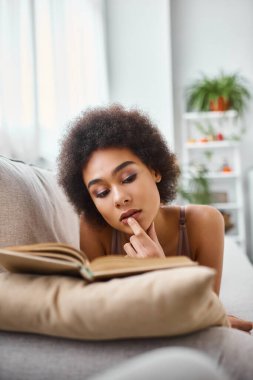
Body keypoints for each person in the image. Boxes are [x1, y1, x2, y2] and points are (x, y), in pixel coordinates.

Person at [57, 104, 252, 332]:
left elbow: (206, 310)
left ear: (155, 170)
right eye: (102, 193)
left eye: (128, 178)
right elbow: (103, 317)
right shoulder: (93, 230)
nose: (119, 198)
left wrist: (162, 270)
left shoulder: (205, 222)